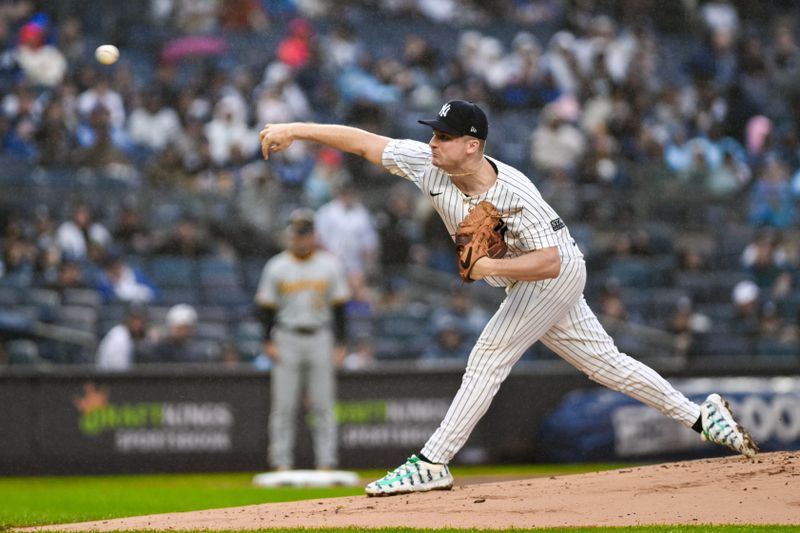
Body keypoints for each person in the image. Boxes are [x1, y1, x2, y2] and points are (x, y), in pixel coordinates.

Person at [259, 99, 759, 496]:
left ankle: (432, 463)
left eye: (444, 136)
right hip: (528, 278)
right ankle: (700, 416)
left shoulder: (514, 191)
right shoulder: (429, 164)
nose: (432, 142)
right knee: (607, 364)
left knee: (488, 355)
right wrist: (296, 129)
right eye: (433, 133)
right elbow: (366, 143)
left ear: (473, 145)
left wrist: (490, 266)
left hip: (553, 272)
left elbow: (551, 262)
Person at [254, 209, 350, 471]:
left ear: (313, 236)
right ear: (290, 237)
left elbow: (340, 307)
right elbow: (265, 308)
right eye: (297, 235)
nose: (302, 240)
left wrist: (341, 343)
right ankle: (280, 462)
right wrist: (267, 340)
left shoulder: (329, 265)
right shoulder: (276, 266)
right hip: (286, 336)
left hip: (320, 336)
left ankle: (327, 462)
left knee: (323, 404)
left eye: (306, 235)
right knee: (283, 405)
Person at [95, 303, 148, 371]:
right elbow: (119, 372)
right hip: (107, 378)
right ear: (127, 319)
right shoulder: (119, 339)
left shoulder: (127, 335)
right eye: (135, 319)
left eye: (141, 319)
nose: (139, 324)